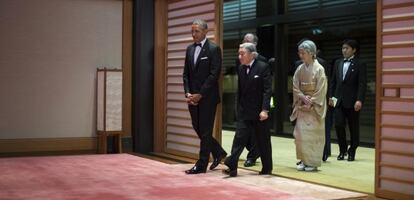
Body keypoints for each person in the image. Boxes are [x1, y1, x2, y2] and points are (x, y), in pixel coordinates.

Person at [182, 19, 227, 174]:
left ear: (205, 31)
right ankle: (219, 152)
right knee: (197, 127)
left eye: (197, 31)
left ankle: (201, 165)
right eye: (192, 31)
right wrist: (188, 93)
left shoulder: (214, 49)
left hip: (207, 97)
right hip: (192, 98)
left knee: (206, 130)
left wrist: (200, 94)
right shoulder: (189, 49)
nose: (194, 34)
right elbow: (186, 74)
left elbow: (214, 75)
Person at [223, 42, 273, 177]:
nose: (239, 56)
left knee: (263, 141)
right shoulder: (240, 68)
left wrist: (265, 110)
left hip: (259, 112)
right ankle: (232, 166)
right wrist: (237, 108)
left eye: (242, 53)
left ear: (252, 54)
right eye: (239, 53)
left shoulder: (263, 67)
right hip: (244, 111)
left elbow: (267, 91)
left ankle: (267, 168)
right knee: (239, 138)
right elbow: (240, 91)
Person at [290, 40, 327, 172]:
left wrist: (311, 102)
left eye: (303, 53)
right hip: (302, 105)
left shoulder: (319, 69)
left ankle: (313, 162)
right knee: (300, 136)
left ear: (311, 53)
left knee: (313, 136)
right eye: (299, 52)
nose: (301, 55)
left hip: (313, 107)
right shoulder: (300, 69)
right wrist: (301, 96)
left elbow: (321, 89)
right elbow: (295, 86)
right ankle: (304, 160)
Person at [329, 39, 366, 162]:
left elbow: (362, 84)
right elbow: (333, 82)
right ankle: (342, 150)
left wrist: (359, 100)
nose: (344, 50)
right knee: (338, 125)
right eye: (343, 48)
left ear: (354, 50)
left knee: (353, 127)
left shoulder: (360, 64)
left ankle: (352, 151)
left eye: (347, 48)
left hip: (353, 101)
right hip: (338, 101)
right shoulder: (338, 63)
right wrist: (331, 97)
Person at [236, 33, 268, 168]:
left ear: (255, 44)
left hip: (257, 105)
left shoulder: (263, 62)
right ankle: (236, 159)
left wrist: (264, 108)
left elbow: (266, 88)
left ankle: (253, 156)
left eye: (248, 41)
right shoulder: (241, 60)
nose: (244, 43)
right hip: (244, 105)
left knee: (255, 135)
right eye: (244, 40)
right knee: (242, 133)